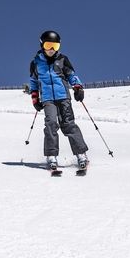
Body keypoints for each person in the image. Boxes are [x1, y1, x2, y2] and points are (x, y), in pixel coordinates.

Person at [28, 30, 89, 171]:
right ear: (42, 45)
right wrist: (35, 99)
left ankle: (81, 154)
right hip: (48, 99)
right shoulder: (36, 63)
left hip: (63, 97)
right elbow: (33, 82)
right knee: (50, 124)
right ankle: (51, 156)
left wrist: (78, 88)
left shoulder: (62, 59)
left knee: (68, 124)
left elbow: (71, 75)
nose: (51, 50)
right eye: (49, 45)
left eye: (54, 46)